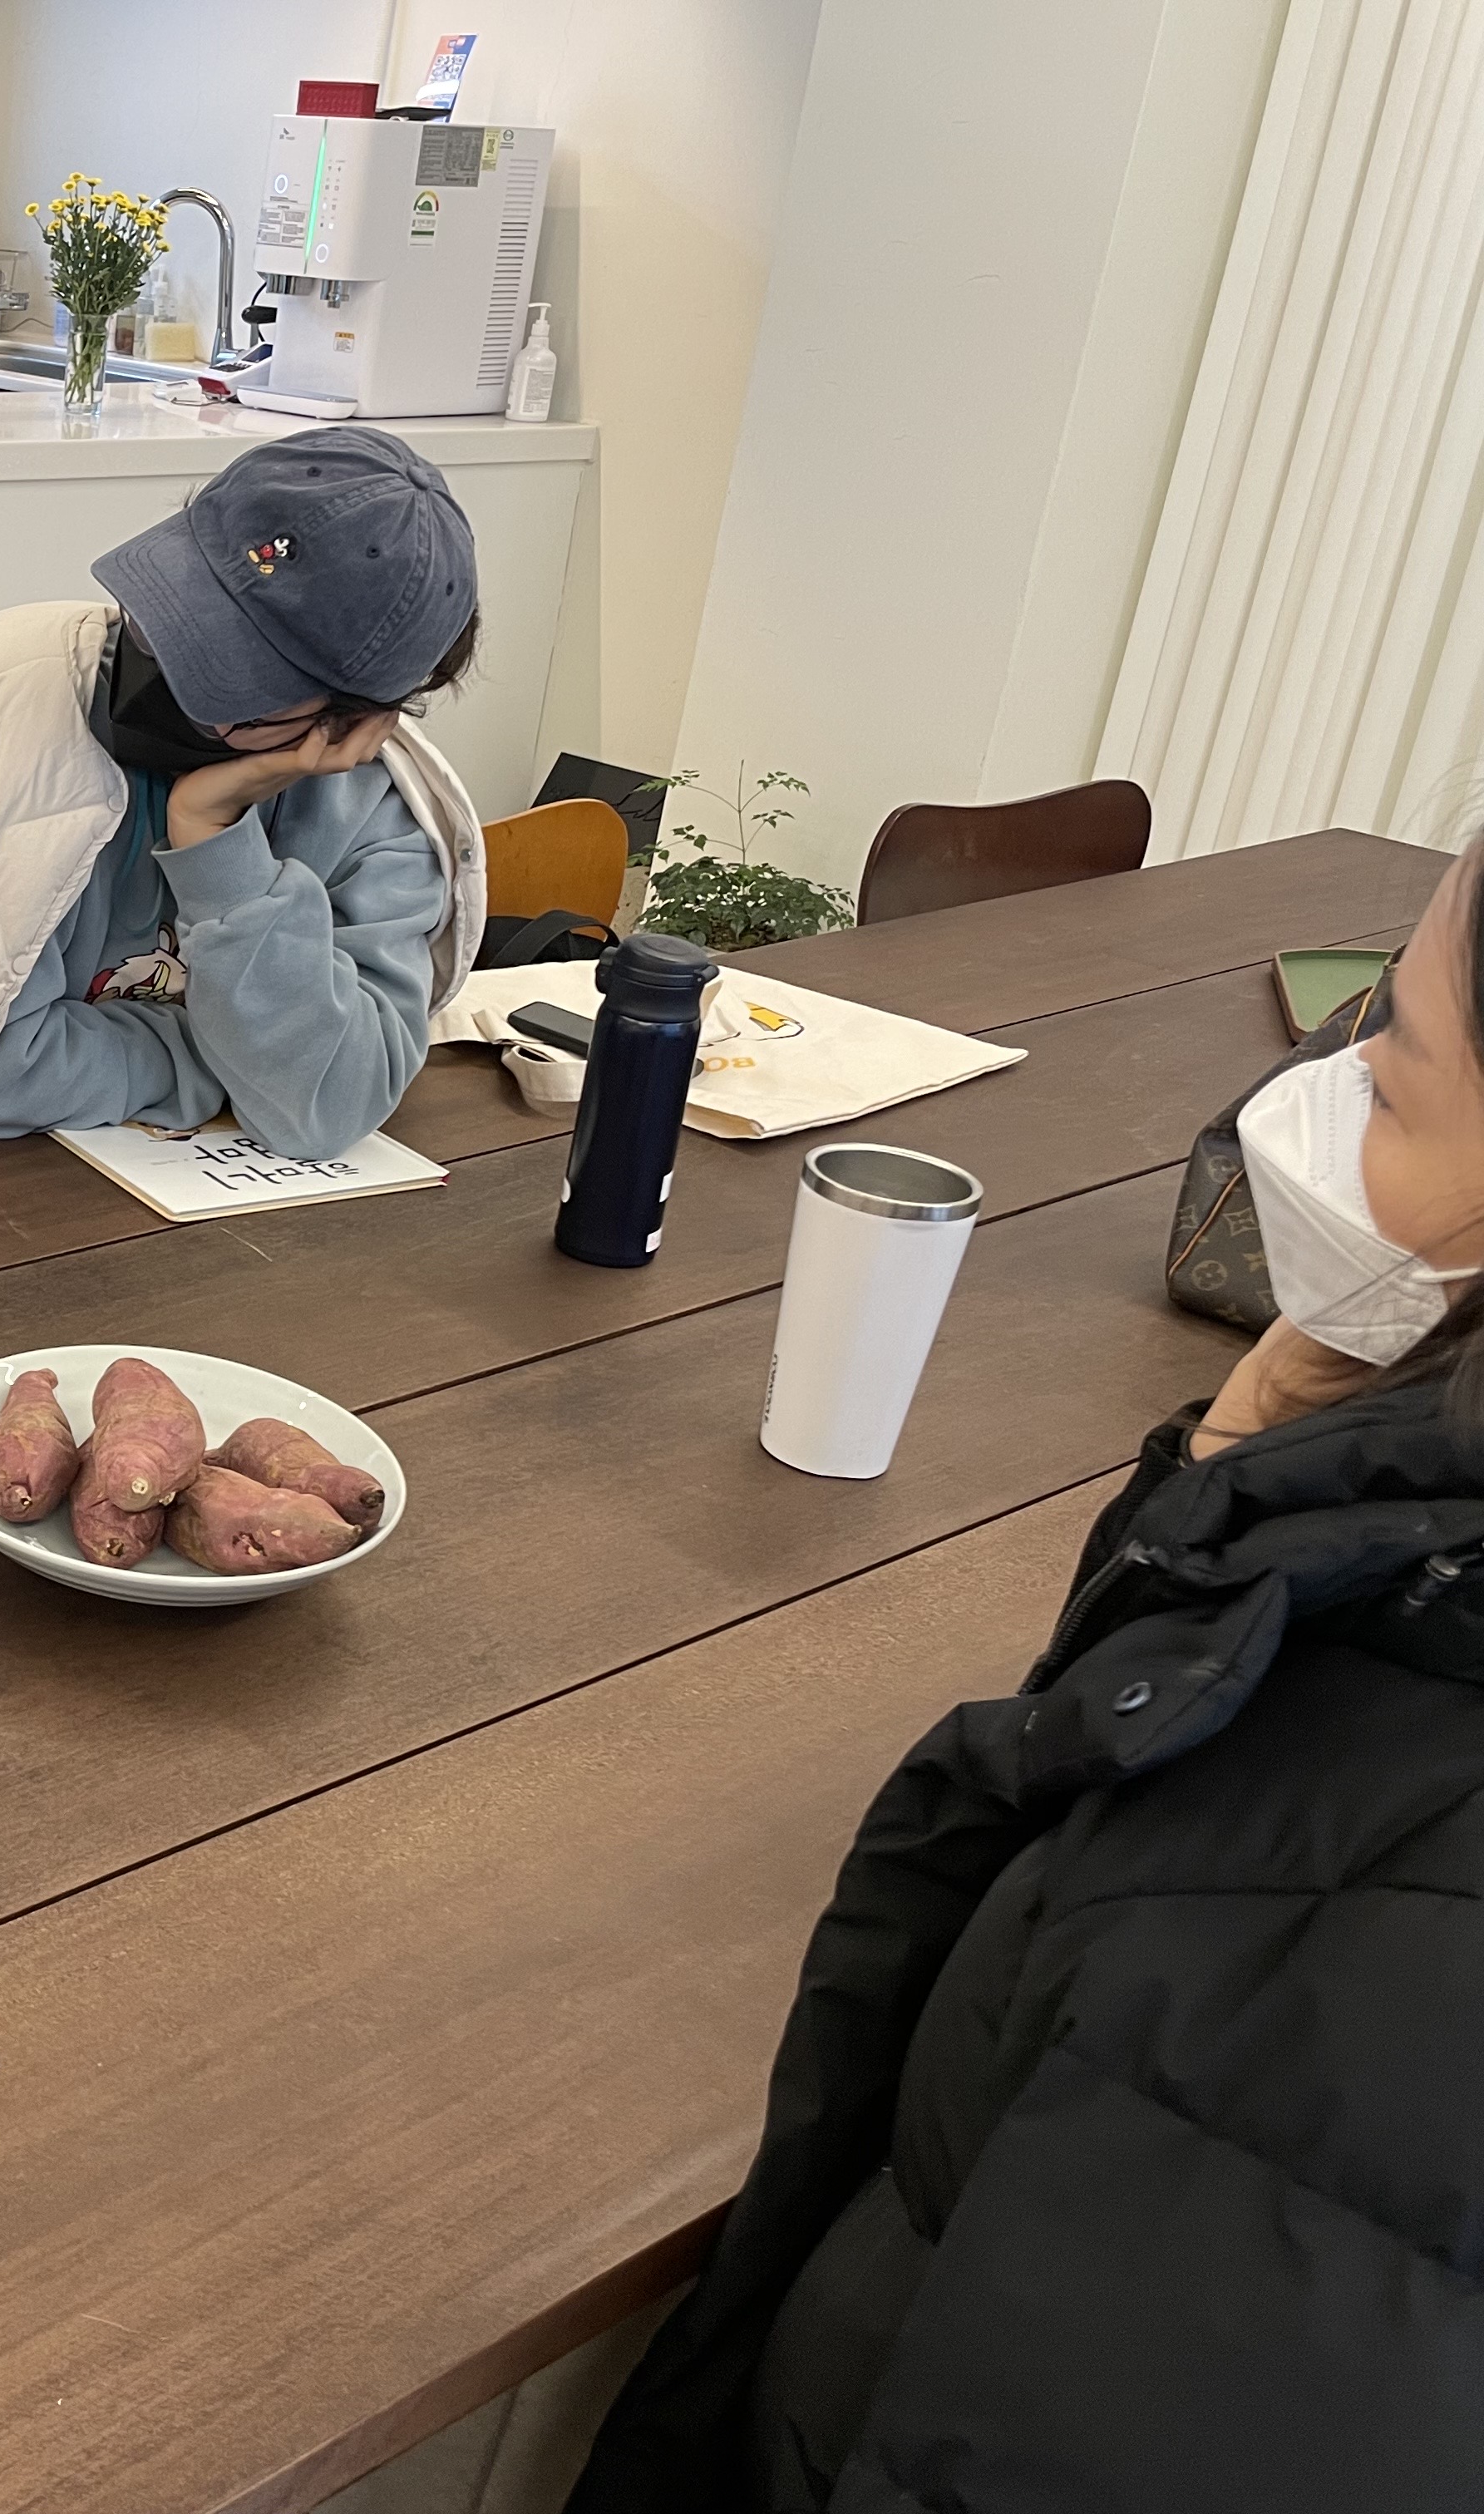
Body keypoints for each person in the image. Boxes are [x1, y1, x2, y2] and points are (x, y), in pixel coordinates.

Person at [567, 839, 1484, 2511]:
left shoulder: (1376, 1915)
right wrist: (1265, 1456)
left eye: (1399, 1060)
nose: (1327, 1090)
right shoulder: (1408, 1579)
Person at [0, 424, 486, 1161]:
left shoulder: (382, 813)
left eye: (233, 682)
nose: (169, 672)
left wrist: (215, 842)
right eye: (170, 617)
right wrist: (223, 1061)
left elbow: (328, 1103)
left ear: (360, 721)